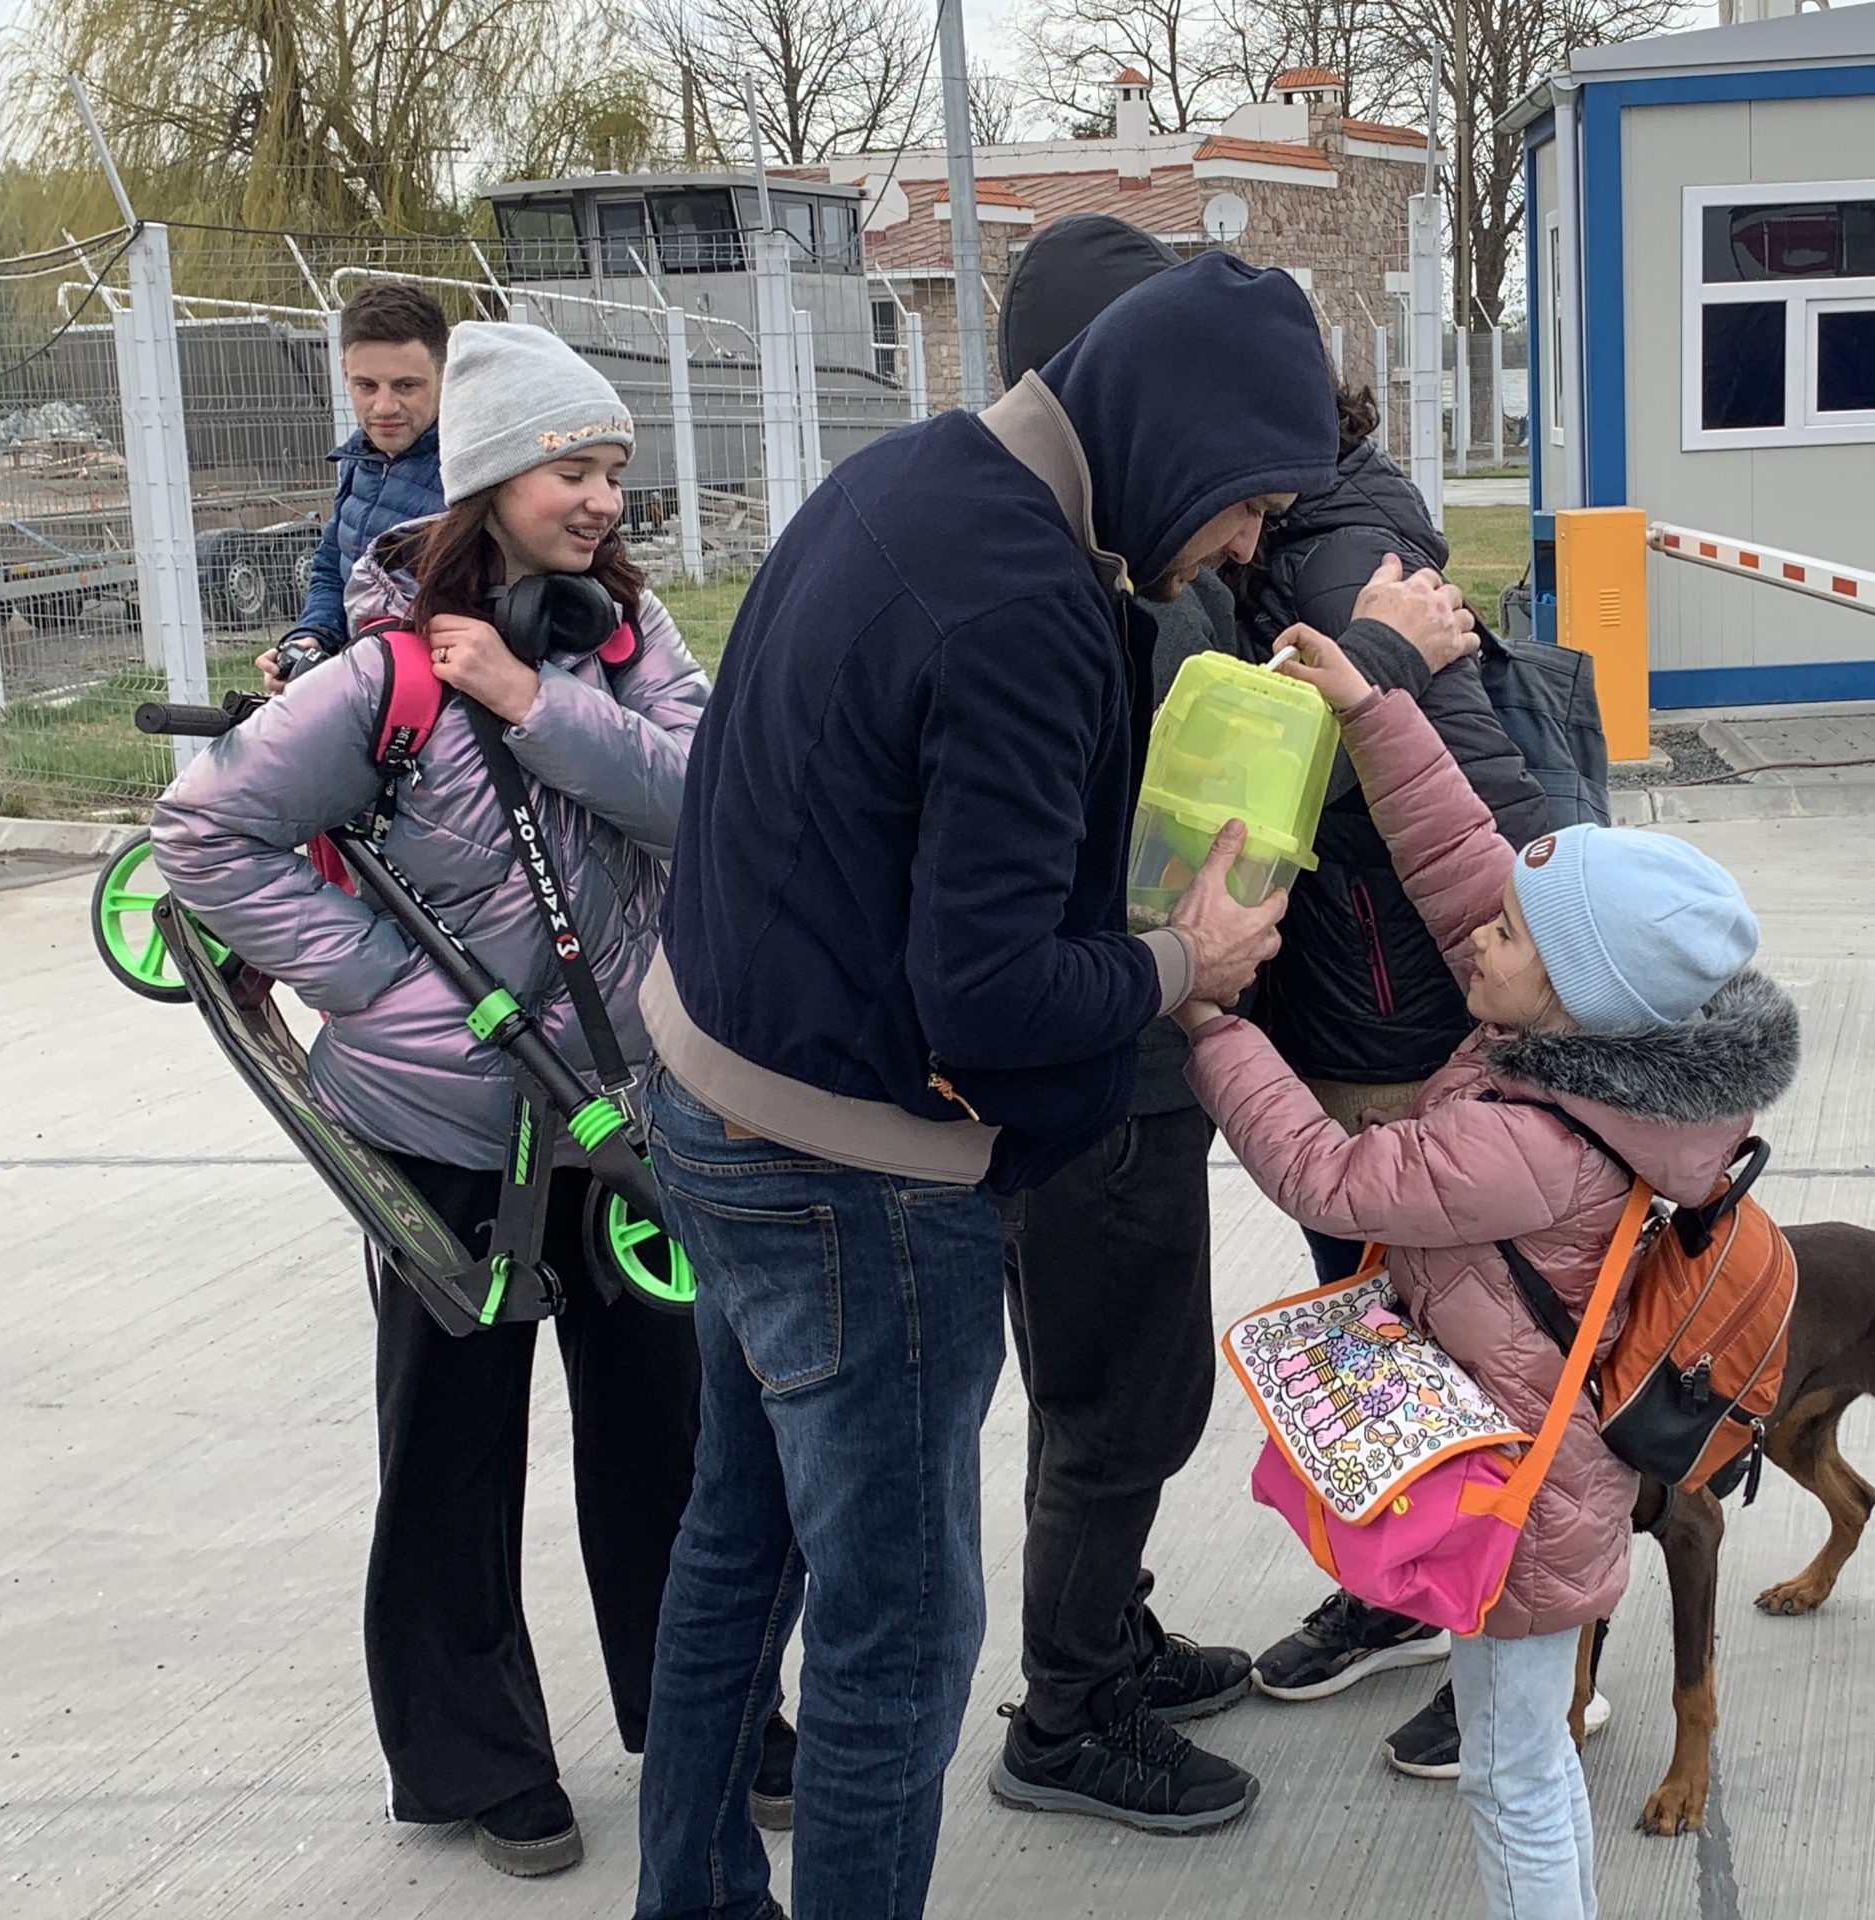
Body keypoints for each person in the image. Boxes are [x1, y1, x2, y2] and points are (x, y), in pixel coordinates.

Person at [630, 254, 1338, 1920]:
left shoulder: (907, 473)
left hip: (710, 1098)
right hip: (848, 1181)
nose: (1245, 547)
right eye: (1249, 504)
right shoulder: (1027, 602)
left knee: (737, 1556)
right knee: (897, 1651)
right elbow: (997, 994)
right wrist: (1188, 962)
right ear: (1183, 438)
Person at [147, 321, 765, 1879]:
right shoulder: (381, 678)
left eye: (615, 470)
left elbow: (708, 794)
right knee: (450, 1446)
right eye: (574, 468)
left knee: (670, 1433)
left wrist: (539, 696)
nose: (603, 499)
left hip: (626, 1109)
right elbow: (202, 835)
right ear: (491, 484)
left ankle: (701, 1713)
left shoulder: (632, 644)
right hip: (442, 1133)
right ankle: (473, 1759)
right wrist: (385, 989)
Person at [1173, 626, 1800, 1920]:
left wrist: (1209, 1021)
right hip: (1540, 1462)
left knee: (1514, 1775)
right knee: (1525, 1762)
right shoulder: (1588, 1043)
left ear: (1571, 991)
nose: (1475, 942)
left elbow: (1331, 1182)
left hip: (1518, 1505)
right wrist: (1371, 709)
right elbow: (1469, 868)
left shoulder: (1528, 1141)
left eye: (1507, 938)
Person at [984, 215, 1485, 1834]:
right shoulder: (1107, 571)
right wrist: (1386, 665)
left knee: (1117, 1385)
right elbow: (1207, 782)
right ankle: (1068, 1714)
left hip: (1145, 1040)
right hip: (1112, 1049)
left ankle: (1106, 1637)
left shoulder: (1094, 545)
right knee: (1117, 1400)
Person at [1233, 389, 1556, 1759]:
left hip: (1413, 1027)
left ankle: (1542, 1646)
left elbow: (1480, 783)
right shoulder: (1266, 542)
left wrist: (1559, 973)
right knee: (1380, 1335)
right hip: (1337, 1016)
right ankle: (1407, 1589)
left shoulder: (1344, 548)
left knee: (1486, 1348)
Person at [255, 282, 448, 690]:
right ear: (344, 372)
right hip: (361, 692)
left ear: (445, 374)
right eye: (366, 386)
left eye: (406, 386)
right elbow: (332, 567)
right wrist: (311, 640)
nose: (384, 407)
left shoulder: (473, 473)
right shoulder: (360, 461)